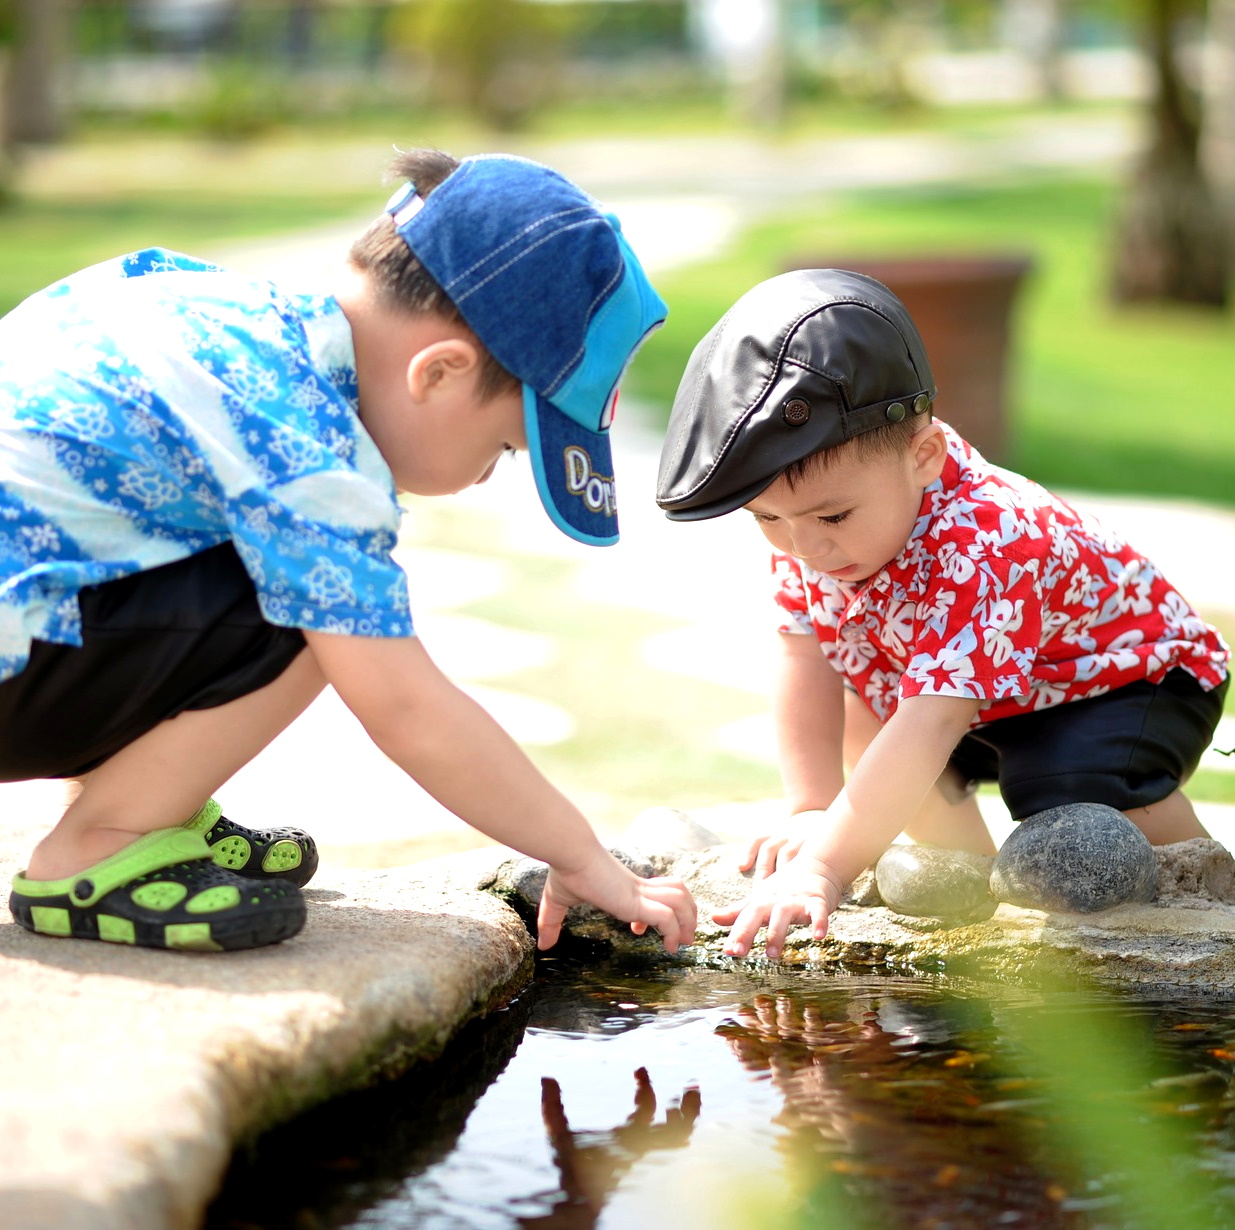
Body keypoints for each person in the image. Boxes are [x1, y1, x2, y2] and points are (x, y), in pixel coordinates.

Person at [0, 148, 697, 955]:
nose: (481, 479)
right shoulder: (308, 443)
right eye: (505, 448)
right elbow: (404, 709)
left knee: (242, 556)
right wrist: (580, 856)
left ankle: (147, 800)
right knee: (324, 616)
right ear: (438, 373)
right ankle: (104, 843)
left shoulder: (196, 299)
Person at [655, 267, 1229, 960]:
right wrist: (811, 807)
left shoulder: (987, 539)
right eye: (766, 519)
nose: (805, 546)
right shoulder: (812, 534)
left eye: (832, 514)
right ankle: (968, 892)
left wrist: (822, 866)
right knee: (866, 707)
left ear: (923, 455)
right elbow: (801, 654)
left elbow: (933, 720)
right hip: (983, 695)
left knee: (1063, 788)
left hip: (1126, 682)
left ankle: (1203, 890)